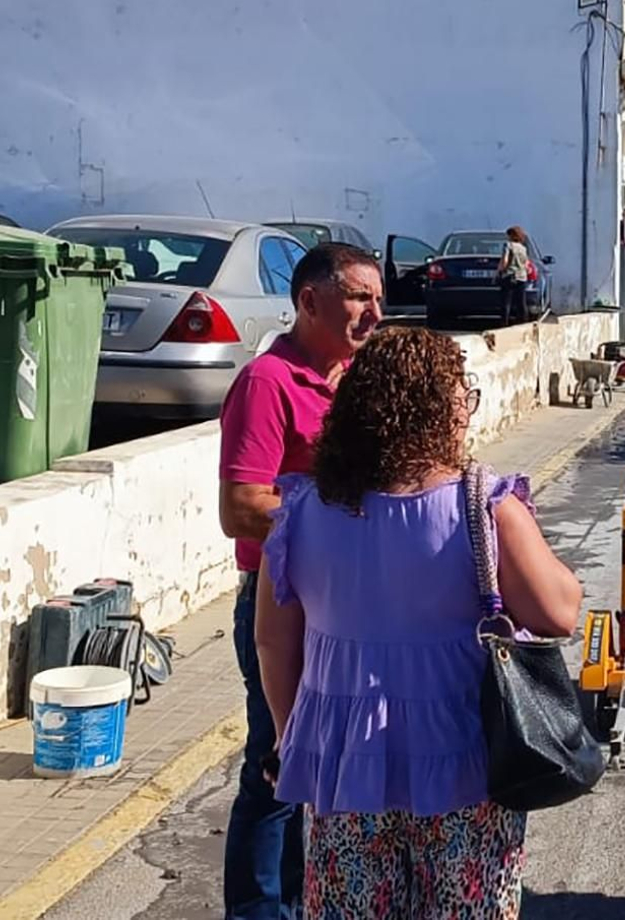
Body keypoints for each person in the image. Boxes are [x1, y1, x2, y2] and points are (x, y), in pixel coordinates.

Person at [254, 327, 582, 918]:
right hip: (463, 760)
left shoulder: (298, 512)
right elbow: (559, 612)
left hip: (344, 764)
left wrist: (288, 734)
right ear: (438, 410)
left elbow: (273, 641)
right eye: (464, 397)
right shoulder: (483, 506)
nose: (468, 412)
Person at [218, 241, 383, 919]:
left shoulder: (356, 378)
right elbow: (240, 507)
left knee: (326, 766)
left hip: (343, 603)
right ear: (310, 300)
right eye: (360, 297)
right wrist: (340, 521)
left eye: (379, 298)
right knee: (277, 766)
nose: (375, 313)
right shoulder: (267, 382)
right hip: (281, 604)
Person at [499, 225, 531, 325]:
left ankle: (504, 323)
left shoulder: (508, 245)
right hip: (522, 277)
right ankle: (523, 323)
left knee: (506, 302)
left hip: (509, 276)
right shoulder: (523, 248)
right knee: (521, 302)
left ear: (512, 235)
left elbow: (505, 261)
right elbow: (527, 264)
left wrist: (501, 270)